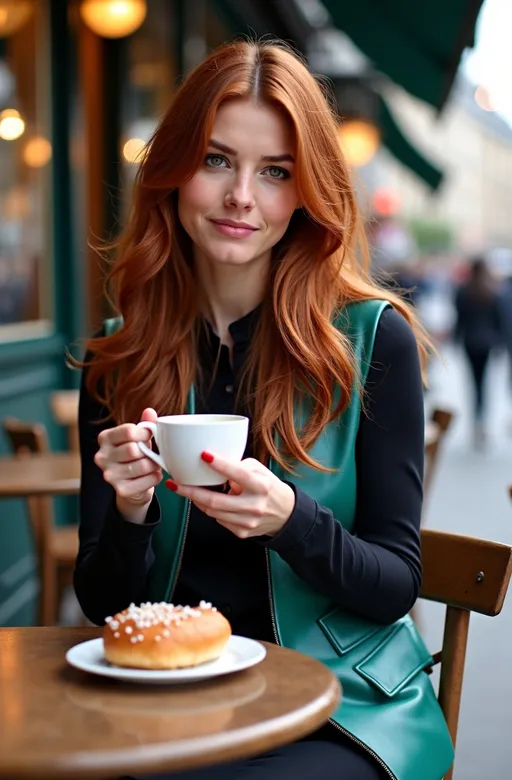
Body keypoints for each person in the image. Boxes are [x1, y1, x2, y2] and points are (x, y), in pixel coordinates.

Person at [73, 40, 454, 780]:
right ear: (175, 172)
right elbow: (102, 602)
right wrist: (128, 516)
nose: (241, 195)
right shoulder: (119, 355)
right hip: (173, 700)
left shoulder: (372, 342)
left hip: (337, 709)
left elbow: (395, 585)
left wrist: (292, 521)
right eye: (217, 160)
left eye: (274, 172)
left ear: (306, 194)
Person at [454, 257, 505, 447]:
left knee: (474, 382)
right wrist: (501, 344)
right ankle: (482, 420)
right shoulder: (492, 292)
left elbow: (459, 318)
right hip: (487, 343)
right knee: (484, 383)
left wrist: (456, 340)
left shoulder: (463, 291)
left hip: (470, 342)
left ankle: (476, 421)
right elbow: (499, 321)